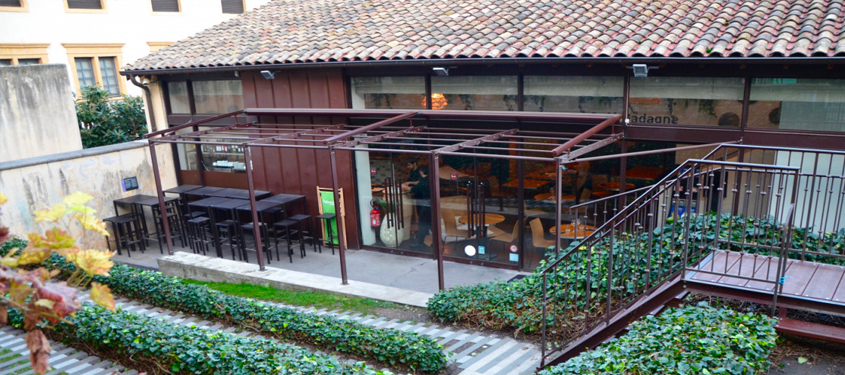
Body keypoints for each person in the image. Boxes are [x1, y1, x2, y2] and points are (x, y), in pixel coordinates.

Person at [407, 165, 431, 249]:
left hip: (425, 204)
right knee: (431, 223)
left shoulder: (424, 181)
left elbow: (414, 189)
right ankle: (438, 241)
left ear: (421, 172)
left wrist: (405, 186)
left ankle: (420, 243)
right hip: (432, 203)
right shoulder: (430, 179)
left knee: (422, 223)